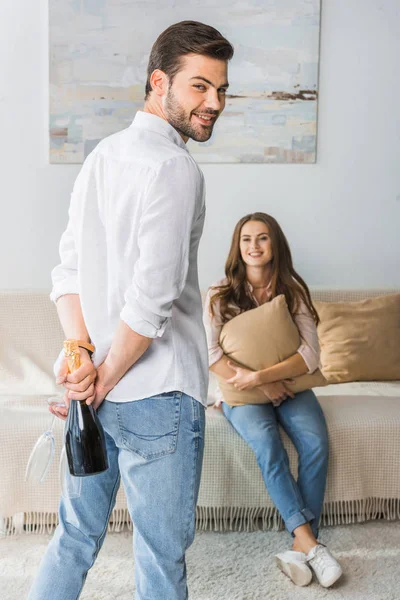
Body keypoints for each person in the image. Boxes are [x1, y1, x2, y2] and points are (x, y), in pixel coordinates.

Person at [28, 21, 234, 600]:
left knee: (73, 536)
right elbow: (151, 302)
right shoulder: (175, 168)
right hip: (158, 395)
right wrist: (96, 379)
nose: (213, 103)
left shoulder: (102, 158)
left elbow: (66, 274)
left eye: (221, 90)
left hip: (96, 393)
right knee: (161, 560)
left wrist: (83, 359)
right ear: (158, 81)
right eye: (199, 87)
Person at [203, 212, 343, 588]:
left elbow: (310, 355)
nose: (254, 246)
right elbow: (210, 353)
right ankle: (313, 544)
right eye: (247, 239)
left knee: (315, 442)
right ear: (238, 246)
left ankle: (300, 545)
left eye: (262, 238)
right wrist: (260, 387)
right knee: (267, 445)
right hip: (241, 395)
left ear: (275, 244)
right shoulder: (219, 294)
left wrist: (267, 377)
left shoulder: (291, 291)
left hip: (290, 387)